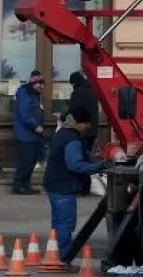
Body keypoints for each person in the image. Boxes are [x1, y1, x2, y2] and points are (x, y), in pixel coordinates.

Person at [43, 105, 105, 268]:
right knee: (65, 223)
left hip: (54, 183)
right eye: (86, 123)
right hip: (64, 185)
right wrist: (98, 167)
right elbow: (75, 164)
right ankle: (62, 257)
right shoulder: (72, 139)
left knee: (57, 222)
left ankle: (54, 253)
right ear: (78, 123)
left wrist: (93, 158)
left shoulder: (62, 133)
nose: (88, 127)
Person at [13, 70, 46, 195]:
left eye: (43, 83)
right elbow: (24, 113)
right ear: (33, 82)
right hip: (25, 134)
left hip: (34, 135)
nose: (41, 86)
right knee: (26, 161)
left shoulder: (35, 94)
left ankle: (26, 185)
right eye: (39, 83)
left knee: (32, 161)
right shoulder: (24, 93)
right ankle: (18, 185)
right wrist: (35, 126)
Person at [68, 71, 99, 196]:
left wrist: (64, 116)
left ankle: (81, 187)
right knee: (85, 159)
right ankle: (86, 187)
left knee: (79, 161)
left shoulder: (78, 92)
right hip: (92, 130)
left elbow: (74, 110)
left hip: (82, 131)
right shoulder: (92, 90)